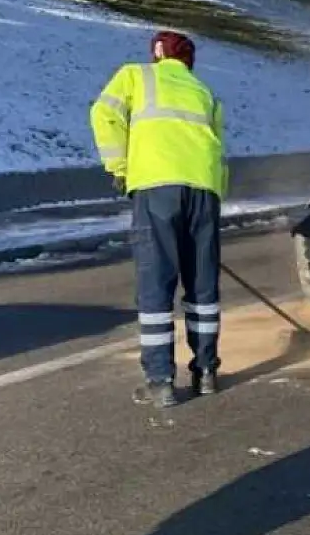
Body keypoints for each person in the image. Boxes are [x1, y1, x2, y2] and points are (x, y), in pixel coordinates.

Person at [90, 30, 229, 409]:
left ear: (157, 55)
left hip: (156, 188)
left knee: (157, 283)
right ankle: (206, 374)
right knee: (202, 287)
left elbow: (103, 114)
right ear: (189, 61)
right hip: (204, 191)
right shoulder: (205, 93)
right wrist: (211, 204)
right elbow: (220, 152)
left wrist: (119, 167)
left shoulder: (136, 76)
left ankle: (161, 382)